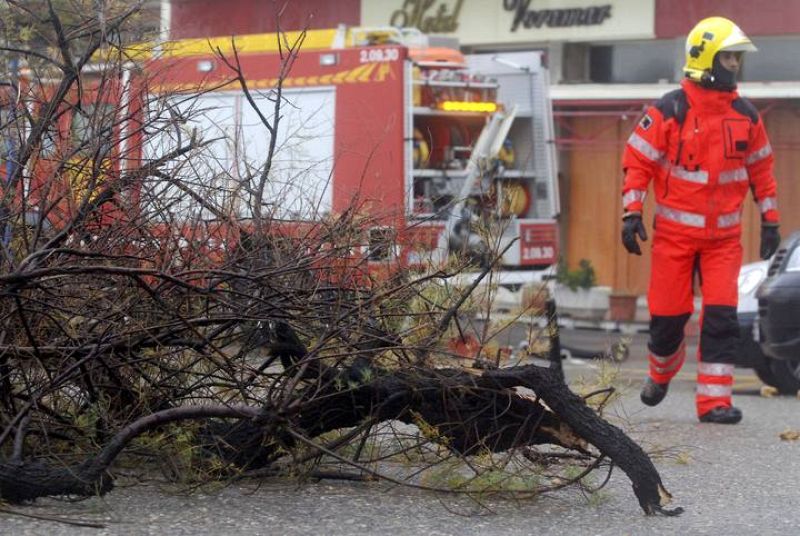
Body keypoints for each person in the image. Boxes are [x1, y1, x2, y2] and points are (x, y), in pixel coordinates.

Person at [620, 16, 780, 424]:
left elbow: (761, 170)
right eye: (729, 57)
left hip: (724, 240)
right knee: (667, 322)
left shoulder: (746, 116)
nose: (735, 65)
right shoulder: (670, 109)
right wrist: (631, 211)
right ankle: (661, 372)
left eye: (737, 58)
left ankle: (714, 402)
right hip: (674, 238)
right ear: (705, 59)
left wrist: (770, 222)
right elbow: (637, 161)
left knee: (722, 319)